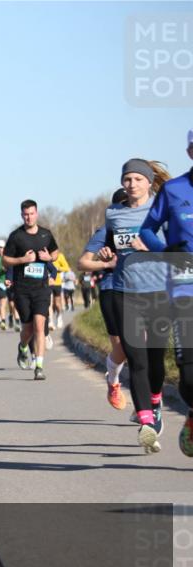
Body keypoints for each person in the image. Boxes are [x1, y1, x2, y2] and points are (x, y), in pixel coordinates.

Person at [96, 158, 171, 453]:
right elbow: (115, 244)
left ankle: (155, 402)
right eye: (127, 179)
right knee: (136, 359)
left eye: (137, 179)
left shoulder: (162, 210)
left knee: (155, 361)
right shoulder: (113, 213)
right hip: (127, 292)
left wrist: (151, 246)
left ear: (149, 182)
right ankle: (146, 425)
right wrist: (107, 252)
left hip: (159, 292)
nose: (131, 184)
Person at [139, 129, 193, 456]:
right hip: (184, 289)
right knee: (188, 376)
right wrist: (166, 249)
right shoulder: (173, 190)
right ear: (190, 151)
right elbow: (147, 228)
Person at [3, 200, 59, 380]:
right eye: (25, 214)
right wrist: (21, 260)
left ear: (37, 214)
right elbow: (6, 261)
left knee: (39, 325)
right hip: (22, 289)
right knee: (27, 329)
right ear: (22, 215)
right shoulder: (16, 236)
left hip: (42, 288)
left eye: (32, 213)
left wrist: (49, 257)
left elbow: (56, 252)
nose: (29, 217)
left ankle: (39, 366)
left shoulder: (45, 234)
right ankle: (23, 347)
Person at [78, 223, 128, 411]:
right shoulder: (106, 231)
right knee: (122, 349)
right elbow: (82, 263)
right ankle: (113, 381)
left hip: (141, 290)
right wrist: (107, 263)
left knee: (143, 350)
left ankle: (147, 407)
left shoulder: (148, 224)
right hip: (112, 289)